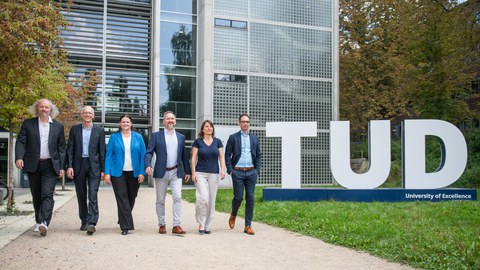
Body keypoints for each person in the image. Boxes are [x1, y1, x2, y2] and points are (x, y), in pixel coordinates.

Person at [15, 98, 66, 236]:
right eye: (41, 107)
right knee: (36, 195)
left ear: (51, 110)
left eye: (46, 107)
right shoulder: (28, 124)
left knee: (47, 194)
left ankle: (44, 222)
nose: (44, 109)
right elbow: (21, 141)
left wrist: (62, 166)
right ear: (37, 108)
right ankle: (39, 220)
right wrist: (19, 157)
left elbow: (62, 148)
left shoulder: (58, 126)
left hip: (50, 165)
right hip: (33, 164)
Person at [145, 111, 191, 235]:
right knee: (160, 200)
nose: (170, 120)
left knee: (178, 197)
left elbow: (184, 155)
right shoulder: (156, 136)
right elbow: (149, 152)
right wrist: (148, 165)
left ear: (175, 121)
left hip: (176, 171)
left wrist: (187, 170)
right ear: (163, 121)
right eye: (167, 119)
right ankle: (162, 224)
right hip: (161, 172)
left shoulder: (181, 137)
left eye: (172, 119)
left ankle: (176, 225)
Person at [66, 106, 105, 235]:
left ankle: (92, 222)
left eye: (90, 113)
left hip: (94, 166)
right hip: (79, 165)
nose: (88, 115)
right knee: (81, 194)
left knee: (93, 194)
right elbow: (70, 149)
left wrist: (103, 170)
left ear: (93, 116)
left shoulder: (99, 130)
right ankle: (84, 220)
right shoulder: (75, 129)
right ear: (82, 115)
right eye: (85, 113)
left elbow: (102, 151)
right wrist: (69, 166)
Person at [104, 114, 146, 235]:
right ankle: (126, 226)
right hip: (118, 173)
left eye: (127, 122)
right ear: (120, 124)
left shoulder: (138, 137)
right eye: (123, 122)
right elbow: (108, 156)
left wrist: (142, 172)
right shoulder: (114, 137)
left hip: (134, 172)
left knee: (131, 197)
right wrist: (107, 172)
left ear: (131, 123)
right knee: (122, 198)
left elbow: (143, 156)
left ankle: (123, 217)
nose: (125, 124)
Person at [225, 114, 262, 235]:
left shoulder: (254, 138)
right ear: (239, 123)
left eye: (247, 121)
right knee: (238, 197)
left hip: (251, 172)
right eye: (243, 121)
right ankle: (233, 214)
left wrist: (257, 170)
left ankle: (247, 225)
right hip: (238, 172)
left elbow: (258, 154)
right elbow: (227, 154)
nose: (245, 123)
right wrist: (230, 169)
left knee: (250, 198)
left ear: (249, 123)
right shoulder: (233, 137)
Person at [189, 120, 226, 234]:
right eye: (207, 126)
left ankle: (207, 225)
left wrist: (223, 170)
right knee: (203, 198)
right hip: (200, 172)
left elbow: (221, 157)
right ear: (202, 129)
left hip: (214, 173)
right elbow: (194, 157)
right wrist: (193, 173)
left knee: (211, 200)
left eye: (211, 126)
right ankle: (201, 222)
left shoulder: (217, 142)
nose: (209, 128)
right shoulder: (198, 142)